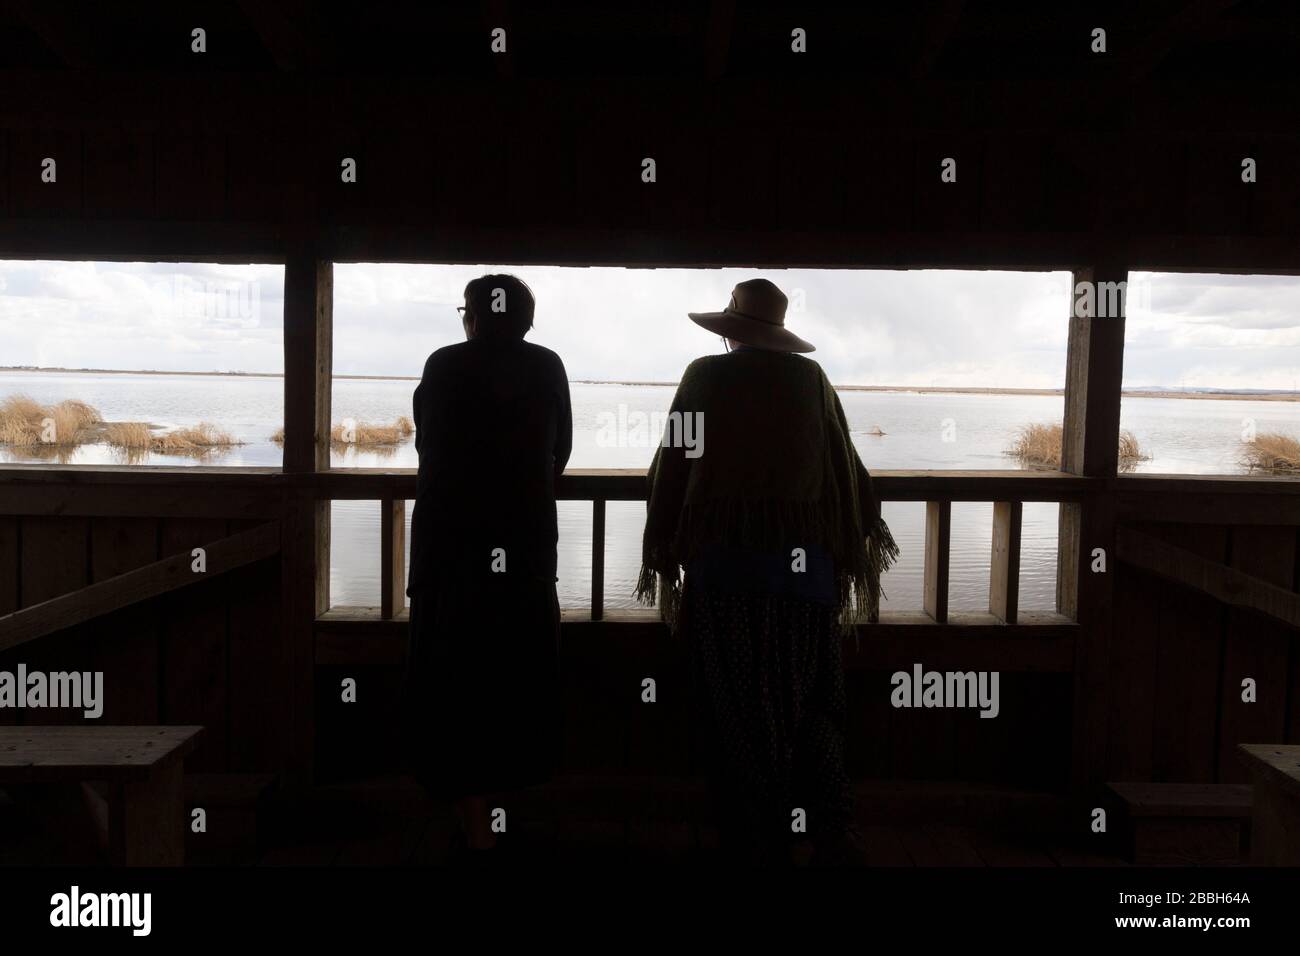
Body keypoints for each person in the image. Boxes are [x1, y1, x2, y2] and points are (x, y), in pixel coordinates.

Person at [636, 277, 898, 866]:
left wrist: (665, 538)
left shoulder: (705, 375)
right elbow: (846, 470)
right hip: (806, 582)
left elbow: (673, 464)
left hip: (724, 577)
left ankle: (757, 838)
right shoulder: (811, 381)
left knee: (736, 712)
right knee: (811, 709)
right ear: (779, 334)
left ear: (730, 333)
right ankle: (832, 829)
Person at [403, 273, 572, 858]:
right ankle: (502, 815)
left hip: (448, 548)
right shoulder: (547, 366)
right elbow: (561, 456)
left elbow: (428, 444)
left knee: (453, 675)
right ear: (525, 320)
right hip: (523, 546)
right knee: (516, 671)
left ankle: (475, 827)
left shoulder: (443, 365)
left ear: (473, 316)